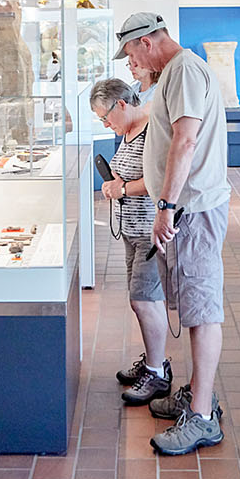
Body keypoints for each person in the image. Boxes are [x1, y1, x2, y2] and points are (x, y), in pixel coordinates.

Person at [114, 12, 231, 456]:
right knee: (191, 302)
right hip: (188, 207)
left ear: (145, 42)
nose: (131, 60)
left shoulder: (182, 70)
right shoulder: (176, 73)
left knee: (201, 309)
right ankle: (197, 392)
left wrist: (164, 206)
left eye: (129, 51)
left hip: (192, 208)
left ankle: (201, 416)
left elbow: (184, 141)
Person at [91, 78, 172, 407]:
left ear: (121, 104)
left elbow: (162, 179)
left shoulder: (152, 130)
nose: (106, 124)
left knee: (144, 300)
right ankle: (155, 361)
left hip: (148, 231)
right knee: (140, 298)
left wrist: (122, 189)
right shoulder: (129, 130)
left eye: (105, 117)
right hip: (131, 229)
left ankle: (157, 372)